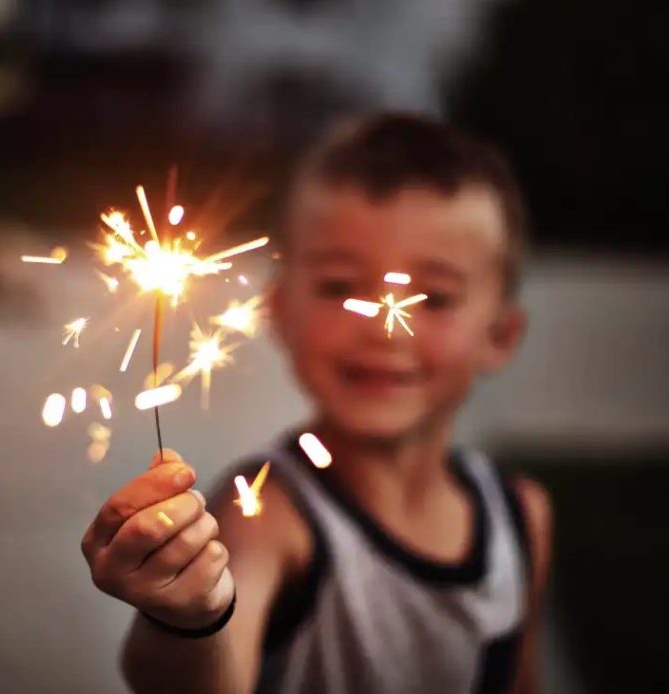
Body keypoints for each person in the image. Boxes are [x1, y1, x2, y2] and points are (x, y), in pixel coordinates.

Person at [81, 113, 552, 693]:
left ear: (500, 335)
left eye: (433, 297)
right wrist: (187, 617)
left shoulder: (519, 516)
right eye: (340, 287)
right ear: (278, 312)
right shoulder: (265, 518)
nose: (383, 328)